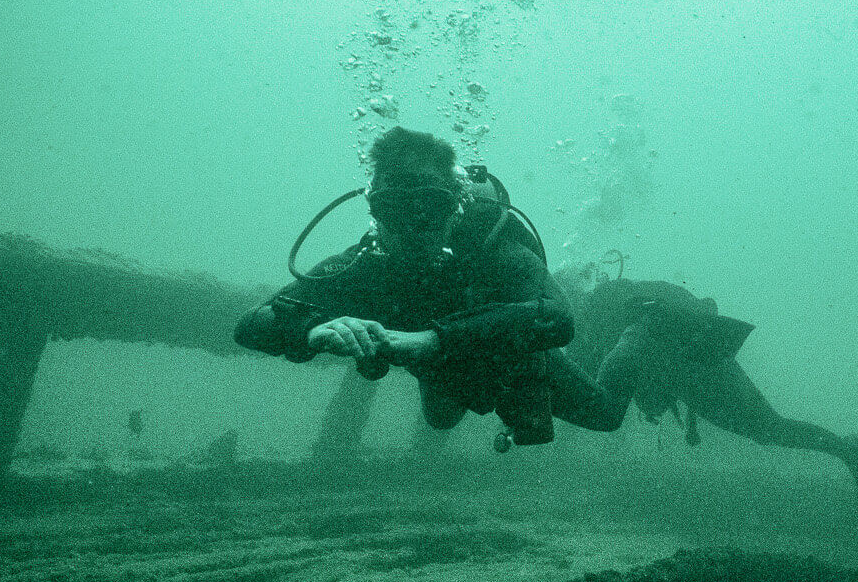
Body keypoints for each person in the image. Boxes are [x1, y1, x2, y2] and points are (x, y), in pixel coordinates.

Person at [235, 126, 619, 449]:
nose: (415, 227)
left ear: (456, 207)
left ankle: (635, 329)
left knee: (604, 414)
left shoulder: (494, 248)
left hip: (503, 355)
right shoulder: (363, 264)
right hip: (440, 372)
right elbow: (251, 324)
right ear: (374, 211)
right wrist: (309, 329)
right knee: (441, 420)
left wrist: (432, 341)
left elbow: (558, 318)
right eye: (396, 208)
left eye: (433, 206)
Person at [557, 263, 858, 545]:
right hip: (692, 374)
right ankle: (855, 453)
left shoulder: (614, 309)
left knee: (769, 429)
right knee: (770, 429)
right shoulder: (602, 319)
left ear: (576, 297)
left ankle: (857, 453)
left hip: (699, 372)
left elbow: (620, 366)